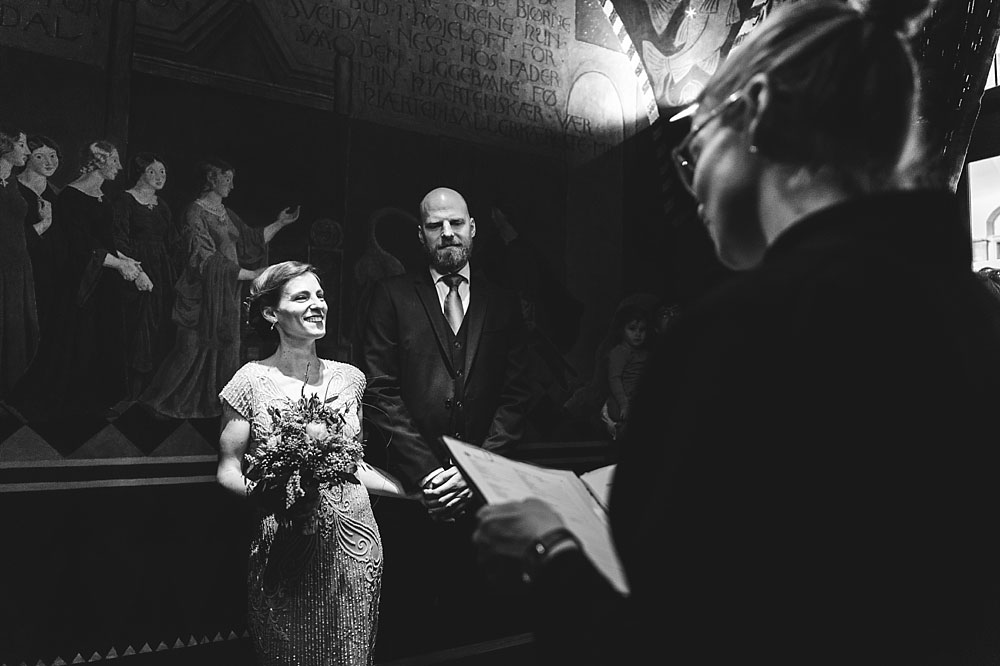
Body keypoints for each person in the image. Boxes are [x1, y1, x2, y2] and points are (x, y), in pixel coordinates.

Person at [473, 2, 1000, 664]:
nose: (692, 182)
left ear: (755, 115)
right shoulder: (976, 317)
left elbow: (682, 642)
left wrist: (547, 555)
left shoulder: (742, 334)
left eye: (695, 146)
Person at [362, 186, 535, 653]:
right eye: (435, 225)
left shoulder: (503, 302)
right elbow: (378, 392)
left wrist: (473, 470)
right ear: (421, 236)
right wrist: (432, 478)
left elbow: (516, 397)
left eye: (456, 223)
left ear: (472, 229)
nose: (447, 233)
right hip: (416, 499)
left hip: (485, 501)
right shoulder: (390, 296)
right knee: (409, 630)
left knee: (479, 628)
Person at [218, 261, 406, 665]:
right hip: (285, 540)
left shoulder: (351, 378)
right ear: (271, 313)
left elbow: (354, 464)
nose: (317, 304)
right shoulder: (249, 381)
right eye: (301, 296)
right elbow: (227, 470)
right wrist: (267, 496)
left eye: (320, 295)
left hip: (355, 544)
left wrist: (410, 490)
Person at [141, 158, 300, 419]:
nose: (232, 185)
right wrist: (250, 274)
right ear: (212, 180)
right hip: (201, 293)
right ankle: (155, 404)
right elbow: (203, 257)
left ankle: (217, 406)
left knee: (227, 348)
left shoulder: (226, 213)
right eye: (227, 179)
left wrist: (280, 223)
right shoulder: (194, 212)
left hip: (227, 292)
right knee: (189, 348)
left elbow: (250, 241)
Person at [112, 152, 177, 397]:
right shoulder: (125, 201)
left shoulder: (163, 206)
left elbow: (172, 242)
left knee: (160, 323)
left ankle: (153, 387)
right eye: (152, 172)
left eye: (162, 172)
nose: (159, 177)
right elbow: (118, 238)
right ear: (140, 173)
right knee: (140, 325)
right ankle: (131, 390)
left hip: (162, 271)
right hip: (136, 268)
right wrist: (136, 270)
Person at [0, 126, 38, 401]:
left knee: (14, 326)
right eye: (22, 145)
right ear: (5, 146)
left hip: (17, 265)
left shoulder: (12, 182)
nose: (26, 151)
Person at [17, 135, 65, 344]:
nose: (49, 162)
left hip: (53, 272)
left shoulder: (59, 195)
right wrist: (44, 223)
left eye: (53, 156)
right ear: (27, 157)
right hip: (22, 272)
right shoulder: (11, 191)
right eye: (40, 156)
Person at [602, 303, 650, 440]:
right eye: (632, 329)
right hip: (621, 401)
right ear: (622, 330)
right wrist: (624, 404)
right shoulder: (619, 352)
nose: (638, 334)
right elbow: (614, 378)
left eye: (642, 329)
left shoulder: (645, 353)